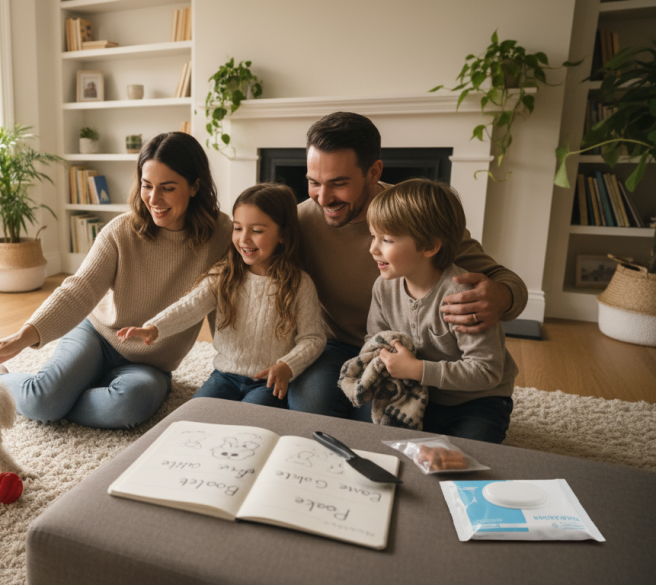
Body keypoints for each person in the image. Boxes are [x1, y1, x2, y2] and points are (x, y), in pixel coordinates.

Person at [0, 132, 232, 429]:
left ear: (195, 186)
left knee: (128, 405)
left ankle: (67, 395)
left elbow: (227, 302)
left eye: (168, 188)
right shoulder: (121, 231)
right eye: (147, 186)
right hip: (98, 336)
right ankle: (3, 381)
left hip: (150, 363)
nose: (154, 199)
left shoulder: (222, 235)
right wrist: (22, 337)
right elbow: (80, 289)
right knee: (43, 401)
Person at [292, 111, 527, 417]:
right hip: (337, 345)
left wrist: (502, 297)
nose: (323, 198)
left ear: (374, 171)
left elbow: (506, 281)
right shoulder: (300, 221)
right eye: (313, 182)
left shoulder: (415, 216)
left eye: (338, 183)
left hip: (408, 351)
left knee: (386, 419)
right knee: (307, 407)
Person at [117, 183, 326, 407]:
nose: (244, 239)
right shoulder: (224, 275)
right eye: (237, 228)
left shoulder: (299, 284)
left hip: (267, 382)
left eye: (256, 231)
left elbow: (313, 338)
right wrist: (154, 327)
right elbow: (190, 306)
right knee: (193, 419)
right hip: (224, 376)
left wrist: (287, 365)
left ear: (282, 234)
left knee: (245, 427)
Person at [358, 179, 517, 442]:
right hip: (419, 395)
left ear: (430, 246)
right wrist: (385, 360)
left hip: (477, 401)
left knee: (467, 458)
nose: (373, 248)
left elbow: (487, 371)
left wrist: (418, 369)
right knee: (374, 437)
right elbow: (374, 339)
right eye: (373, 236)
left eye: (386, 239)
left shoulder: (462, 296)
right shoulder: (383, 287)